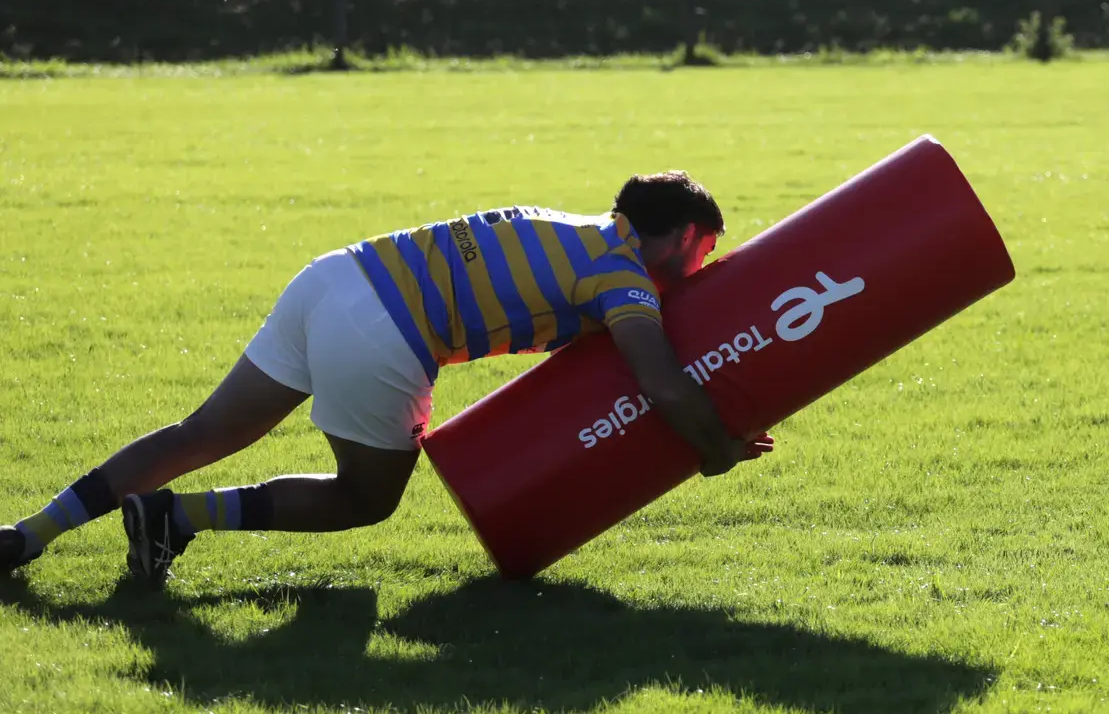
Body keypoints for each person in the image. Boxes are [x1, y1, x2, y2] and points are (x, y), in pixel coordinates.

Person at [1, 171, 771, 586]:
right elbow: (663, 382)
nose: (699, 268)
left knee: (203, 432)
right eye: (703, 251)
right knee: (365, 498)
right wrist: (717, 447)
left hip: (335, 275)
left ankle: (27, 534)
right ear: (681, 234)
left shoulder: (576, 229)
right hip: (385, 329)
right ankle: (177, 518)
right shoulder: (623, 274)